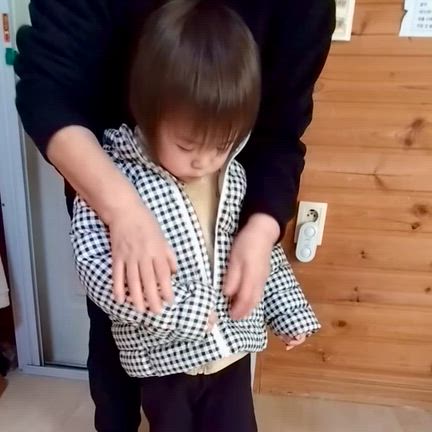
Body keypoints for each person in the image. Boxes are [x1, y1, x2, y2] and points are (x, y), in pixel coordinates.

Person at [14, 0, 335, 431]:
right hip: (161, 361)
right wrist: (191, 312)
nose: (205, 161)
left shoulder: (233, 178)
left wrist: (286, 303)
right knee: (137, 410)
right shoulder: (119, 180)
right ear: (149, 118)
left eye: (222, 145)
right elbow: (104, 279)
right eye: (187, 146)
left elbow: (267, 260)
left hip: (230, 352)